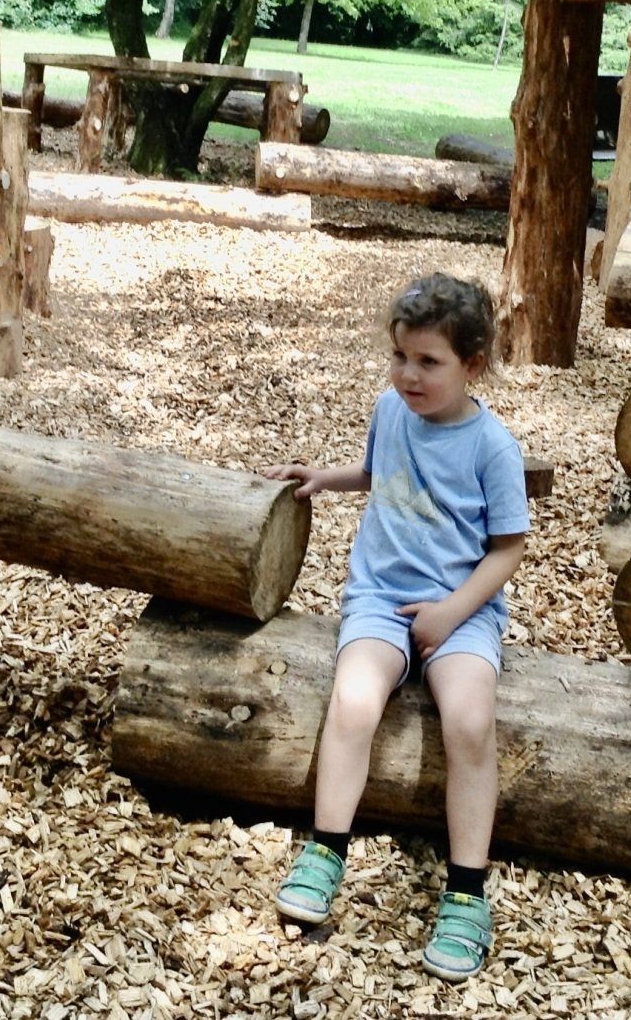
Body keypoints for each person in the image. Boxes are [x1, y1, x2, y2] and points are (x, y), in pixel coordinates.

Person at [262, 273, 529, 983]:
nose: (409, 375)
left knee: (469, 721)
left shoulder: (492, 448)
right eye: (401, 357)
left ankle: (468, 892)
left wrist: (451, 613)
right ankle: (325, 852)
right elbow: (381, 474)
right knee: (353, 703)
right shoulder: (391, 408)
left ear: (473, 366)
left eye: (429, 362)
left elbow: (508, 549)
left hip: (460, 609)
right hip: (381, 599)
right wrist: (326, 476)